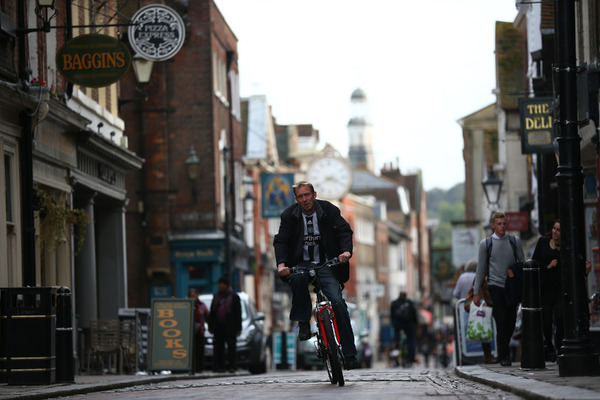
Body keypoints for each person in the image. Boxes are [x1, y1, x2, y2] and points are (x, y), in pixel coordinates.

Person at [273, 181, 359, 370]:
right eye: (300, 196)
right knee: (298, 279)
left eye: (307, 195)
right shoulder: (289, 215)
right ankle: (304, 322)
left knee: (337, 302)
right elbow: (281, 241)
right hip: (301, 263)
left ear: (314, 194)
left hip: (326, 263)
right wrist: (281, 264)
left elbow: (344, 231)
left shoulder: (328, 210)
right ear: (296, 199)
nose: (305, 199)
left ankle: (350, 353)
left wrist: (345, 252)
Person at [473, 211, 525, 367]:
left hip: (511, 288)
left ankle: (503, 352)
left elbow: (522, 265)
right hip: (495, 287)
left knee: (510, 322)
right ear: (493, 225)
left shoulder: (514, 241)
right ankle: (504, 355)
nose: (502, 227)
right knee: (501, 321)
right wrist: (476, 292)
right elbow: (480, 269)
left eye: (504, 224)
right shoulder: (486, 244)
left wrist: (514, 271)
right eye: (499, 224)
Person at [453, 260, 495, 364]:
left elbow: (456, 294)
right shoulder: (480, 276)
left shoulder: (462, 277)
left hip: (467, 309)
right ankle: (487, 356)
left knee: (466, 331)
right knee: (485, 328)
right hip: (482, 306)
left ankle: (464, 357)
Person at [208, 275, 242, 373]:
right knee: (218, 347)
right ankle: (219, 367)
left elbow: (238, 313)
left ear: (226, 285)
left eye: (221, 284)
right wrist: (211, 326)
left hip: (230, 326)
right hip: (218, 326)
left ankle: (232, 366)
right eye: (219, 284)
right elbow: (212, 312)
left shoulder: (234, 297)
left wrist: (238, 327)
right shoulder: (216, 296)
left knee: (231, 347)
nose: (219, 286)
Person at [390, 291, 418, 365]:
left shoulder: (394, 303)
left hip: (398, 325)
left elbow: (392, 315)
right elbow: (414, 315)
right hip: (409, 325)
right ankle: (411, 357)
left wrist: (393, 324)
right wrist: (416, 324)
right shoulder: (410, 303)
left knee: (396, 338)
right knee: (411, 340)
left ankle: (395, 350)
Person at [188, 288, 209, 373]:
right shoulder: (186, 305)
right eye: (191, 296)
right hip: (189, 332)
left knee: (200, 350)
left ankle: (200, 368)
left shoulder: (202, 305)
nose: (193, 297)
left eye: (194, 295)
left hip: (200, 331)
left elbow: (207, 316)